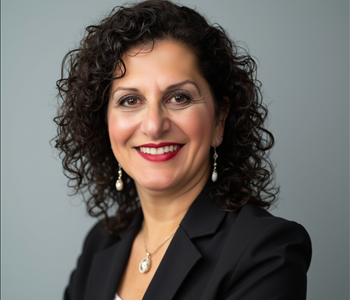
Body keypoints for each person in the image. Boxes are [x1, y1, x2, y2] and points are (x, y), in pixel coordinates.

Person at [54, 1, 312, 299]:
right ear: (105, 123)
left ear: (220, 118)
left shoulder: (266, 249)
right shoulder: (101, 242)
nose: (153, 125)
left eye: (179, 97)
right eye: (129, 100)